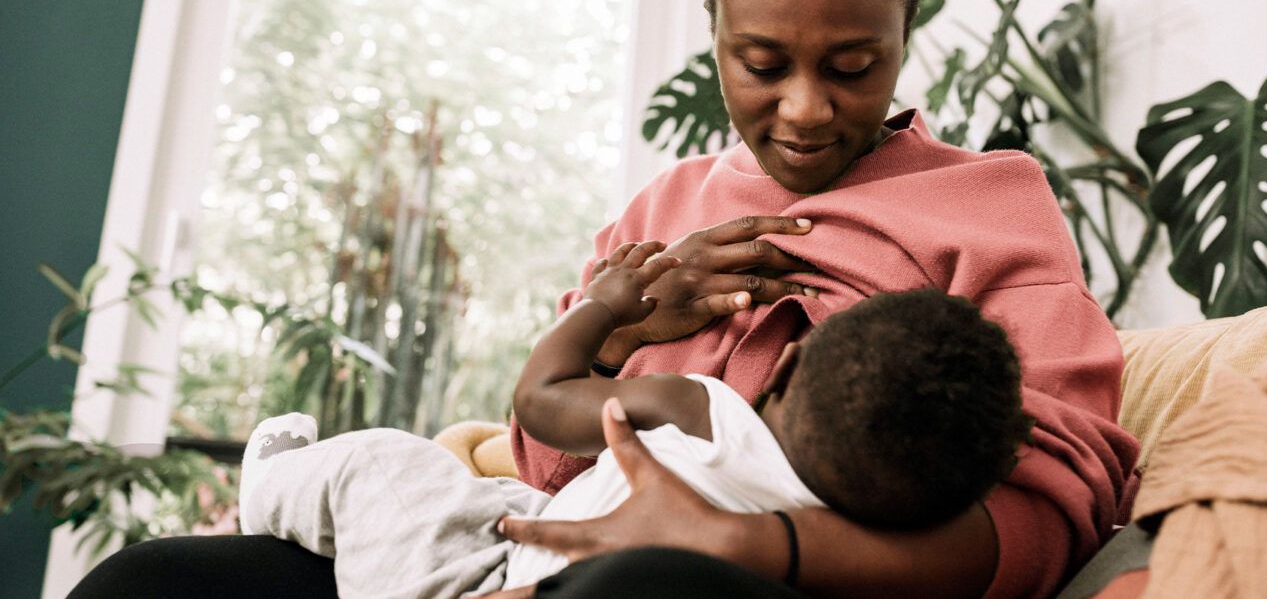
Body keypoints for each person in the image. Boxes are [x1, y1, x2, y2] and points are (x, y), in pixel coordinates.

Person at [68, 0, 1138, 597]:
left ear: (905, 36)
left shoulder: (992, 209)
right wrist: (621, 328)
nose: (806, 108)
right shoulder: (660, 213)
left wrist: (761, 544)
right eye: (762, 63)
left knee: (644, 586)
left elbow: (1053, 507)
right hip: (543, 548)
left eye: (851, 66)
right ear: (715, 30)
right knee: (151, 581)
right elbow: (540, 460)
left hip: (781, 578)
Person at [234, 241, 1031, 597]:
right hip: (531, 528)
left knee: (381, 462)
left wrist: (604, 308)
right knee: (493, 499)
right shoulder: (844, 544)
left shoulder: (704, 410)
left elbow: (541, 402)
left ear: (784, 365)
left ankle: (269, 485)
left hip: (471, 580)